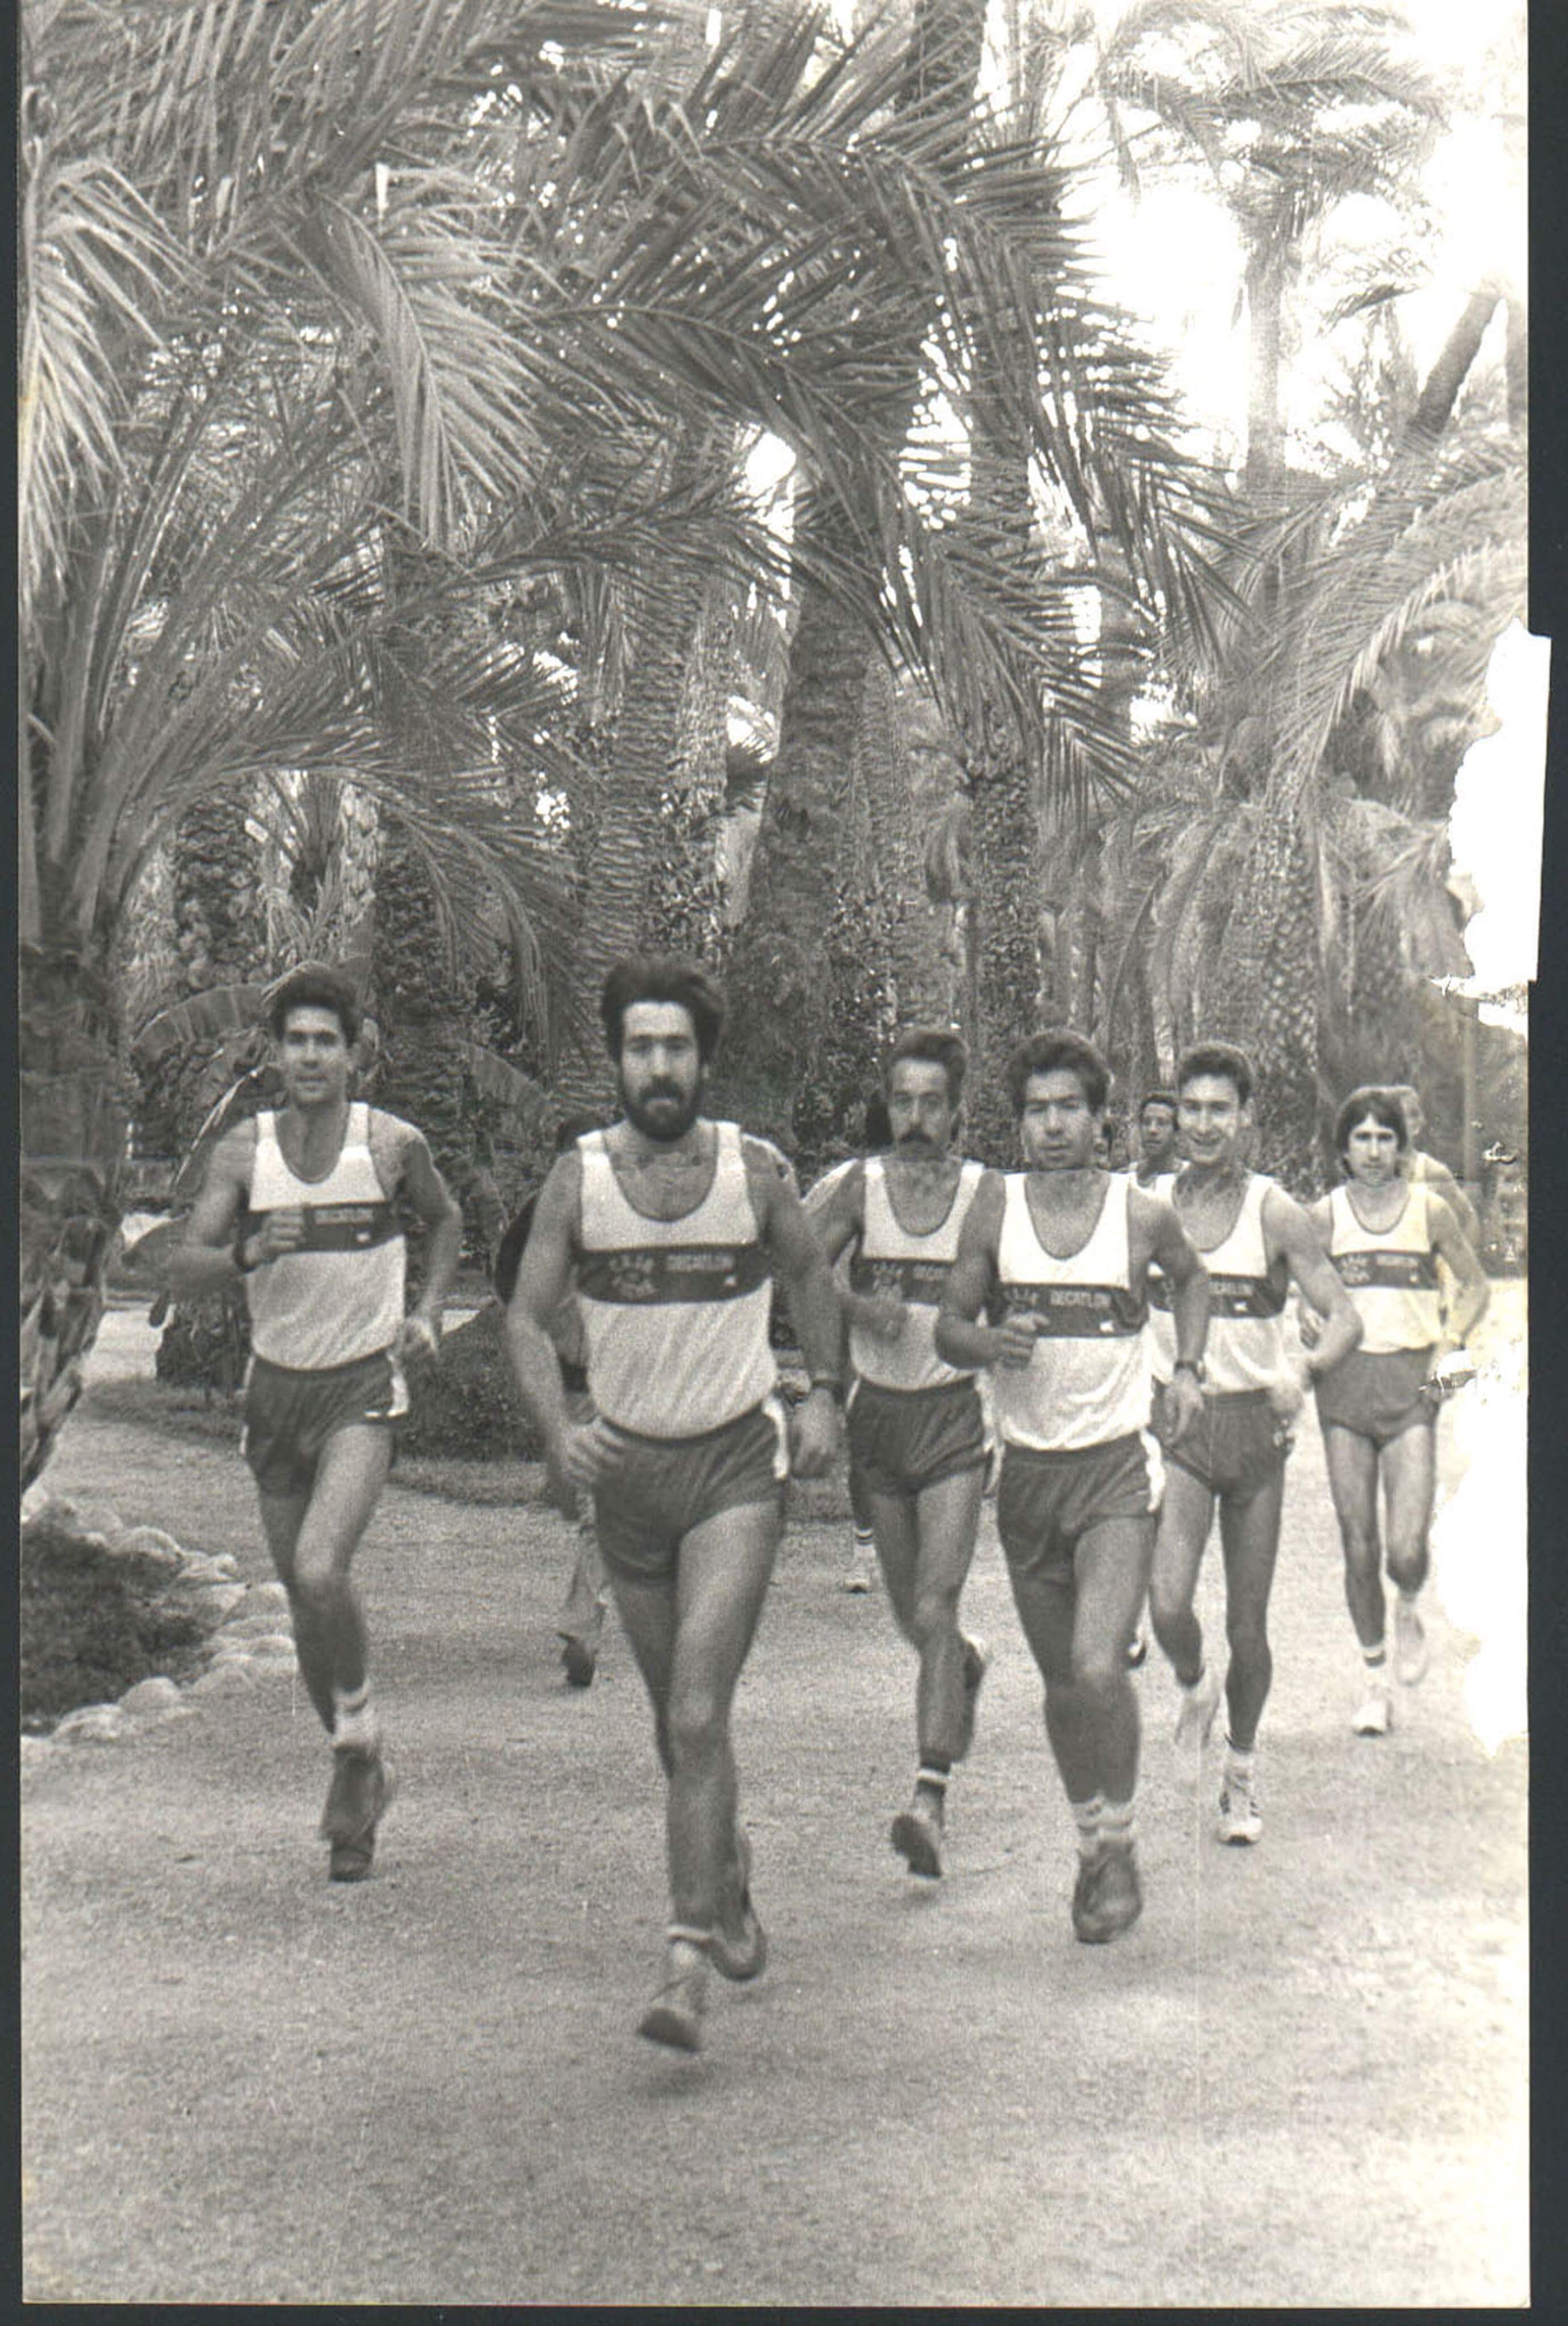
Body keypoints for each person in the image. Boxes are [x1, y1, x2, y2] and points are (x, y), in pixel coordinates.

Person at [504, 955, 844, 2053]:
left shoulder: (754, 1172)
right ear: (617, 1059)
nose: (659, 1066)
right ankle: (725, 1874)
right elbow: (525, 1318)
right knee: (674, 1723)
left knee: (697, 1712)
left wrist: (824, 1393)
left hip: (734, 1470)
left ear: (704, 1059)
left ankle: (685, 1960)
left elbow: (810, 1277)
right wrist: (559, 1431)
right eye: (640, 1047)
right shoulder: (578, 1181)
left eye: (676, 1047)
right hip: (629, 1486)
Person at [169, 964, 460, 1880]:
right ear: (273, 1052)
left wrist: (427, 1313)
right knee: (304, 1604)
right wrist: (250, 1248)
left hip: (360, 1387)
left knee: (320, 1567)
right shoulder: (242, 1152)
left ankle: (356, 1745)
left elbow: (447, 1222)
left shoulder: (390, 1145)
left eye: (324, 1042)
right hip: (275, 1393)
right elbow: (182, 1263)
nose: (308, 1057)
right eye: (294, 1041)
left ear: (353, 1053)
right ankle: (359, 1765)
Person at [936, 1030, 1210, 1946]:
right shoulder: (994, 1207)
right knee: (1061, 1685)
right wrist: (989, 1342)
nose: (1051, 1126)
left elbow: (1192, 1280)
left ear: (1100, 1120)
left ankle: (1121, 1844)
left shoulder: (1139, 1214)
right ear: (1018, 1124)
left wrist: (1189, 1370)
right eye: (1035, 1111)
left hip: (1113, 1474)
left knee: (1098, 1666)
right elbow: (947, 1328)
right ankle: (1090, 1844)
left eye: (1068, 1109)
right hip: (1027, 1478)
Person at [1144, 1044, 1363, 1843]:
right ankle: (1194, 1686)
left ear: (1245, 1118)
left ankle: (1239, 1774)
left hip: (1253, 1435)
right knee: (1166, 1602)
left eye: (1219, 1110)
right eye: (1191, 1108)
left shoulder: (1273, 1211)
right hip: (1179, 1425)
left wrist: (1302, 1369)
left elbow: (1344, 1318)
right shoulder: (1145, 1205)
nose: (1203, 1125)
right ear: (1175, 1113)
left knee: (1247, 1624)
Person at [808, 1030, 992, 1880]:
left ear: (956, 1111)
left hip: (954, 1416)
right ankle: (962, 1665)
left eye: (931, 1103)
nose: (914, 1118)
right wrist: (854, 1307)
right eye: (902, 1101)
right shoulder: (859, 1186)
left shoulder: (986, 1194)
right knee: (915, 1624)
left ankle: (928, 1801)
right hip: (877, 1417)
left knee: (936, 1599)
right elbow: (796, 1263)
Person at [1306, 1087, 1490, 1736]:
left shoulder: (1427, 1210)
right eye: (1361, 1138)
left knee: (1405, 1548)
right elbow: (1301, 1292)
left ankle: (1408, 1602)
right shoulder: (1324, 1216)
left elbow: (1474, 1287)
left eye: (1384, 1137)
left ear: (1400, 1146)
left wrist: (1449, 1346)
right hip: (1345, 1391)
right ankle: (1374, 1683)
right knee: (1357, 1541)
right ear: (1343, 1149)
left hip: (1411, 1386)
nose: (1373, 1150)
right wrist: (1310, 1323)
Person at [494, 1114, 611, 1687]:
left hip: (615, 1382)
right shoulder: (538, 1217)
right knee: (573, 1495)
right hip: (562, 1382)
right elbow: (505, 1278)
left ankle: (583, 1627)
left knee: (603, 1506)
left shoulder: (629, 1212)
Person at [804, 1091, 892, 1595]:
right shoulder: (848, 1183)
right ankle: (866, 1547)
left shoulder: (836, 1181)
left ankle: (869, 1547)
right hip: (853, 1322)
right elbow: (806, 1257)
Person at [1386, 1083, 1483, 1245]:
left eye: (1415, 1115)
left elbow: (1468, 1217)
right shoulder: (1367, 1169)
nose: (1417, 1121)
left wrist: (1457, 1257)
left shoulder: (1431, 1171)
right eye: (1397, 1116)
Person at [1133, 1091, 1180, 1187]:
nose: (1152, 1130)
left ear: (1177, 1132)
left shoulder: (1189, 1180)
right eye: (1147, 1122)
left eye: (1162, 1123)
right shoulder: (1126, 1179)